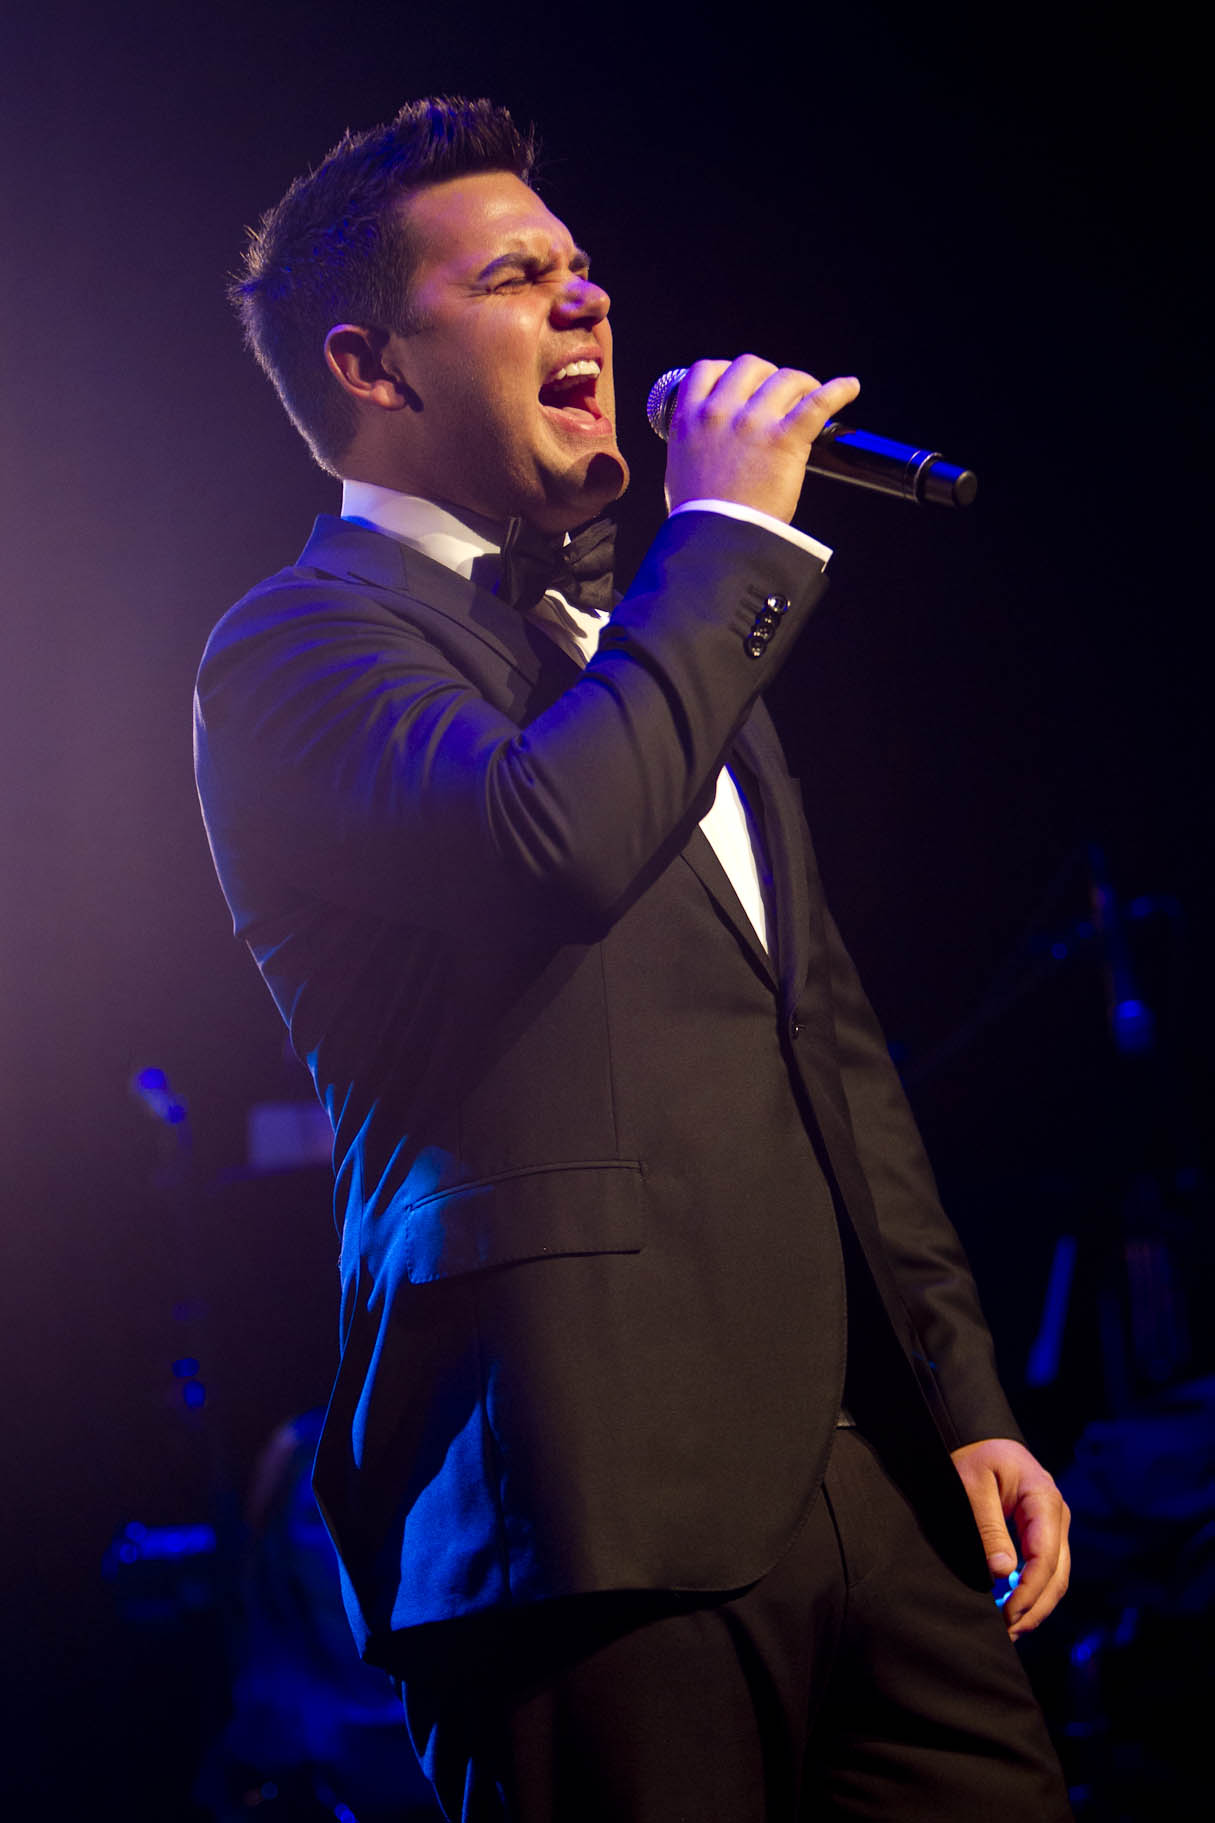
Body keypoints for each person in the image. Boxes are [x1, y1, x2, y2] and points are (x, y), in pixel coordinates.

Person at [195, 96, 1073, 1821]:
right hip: (578, 1486)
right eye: (515, 279)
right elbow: (549, 844)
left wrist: (960, 1395)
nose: (587, 299)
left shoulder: (648, 645)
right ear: (371, 367)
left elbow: (825, 1047)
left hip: (863, 1476)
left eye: (582, 267)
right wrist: (731, 545)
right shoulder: (296, 647)